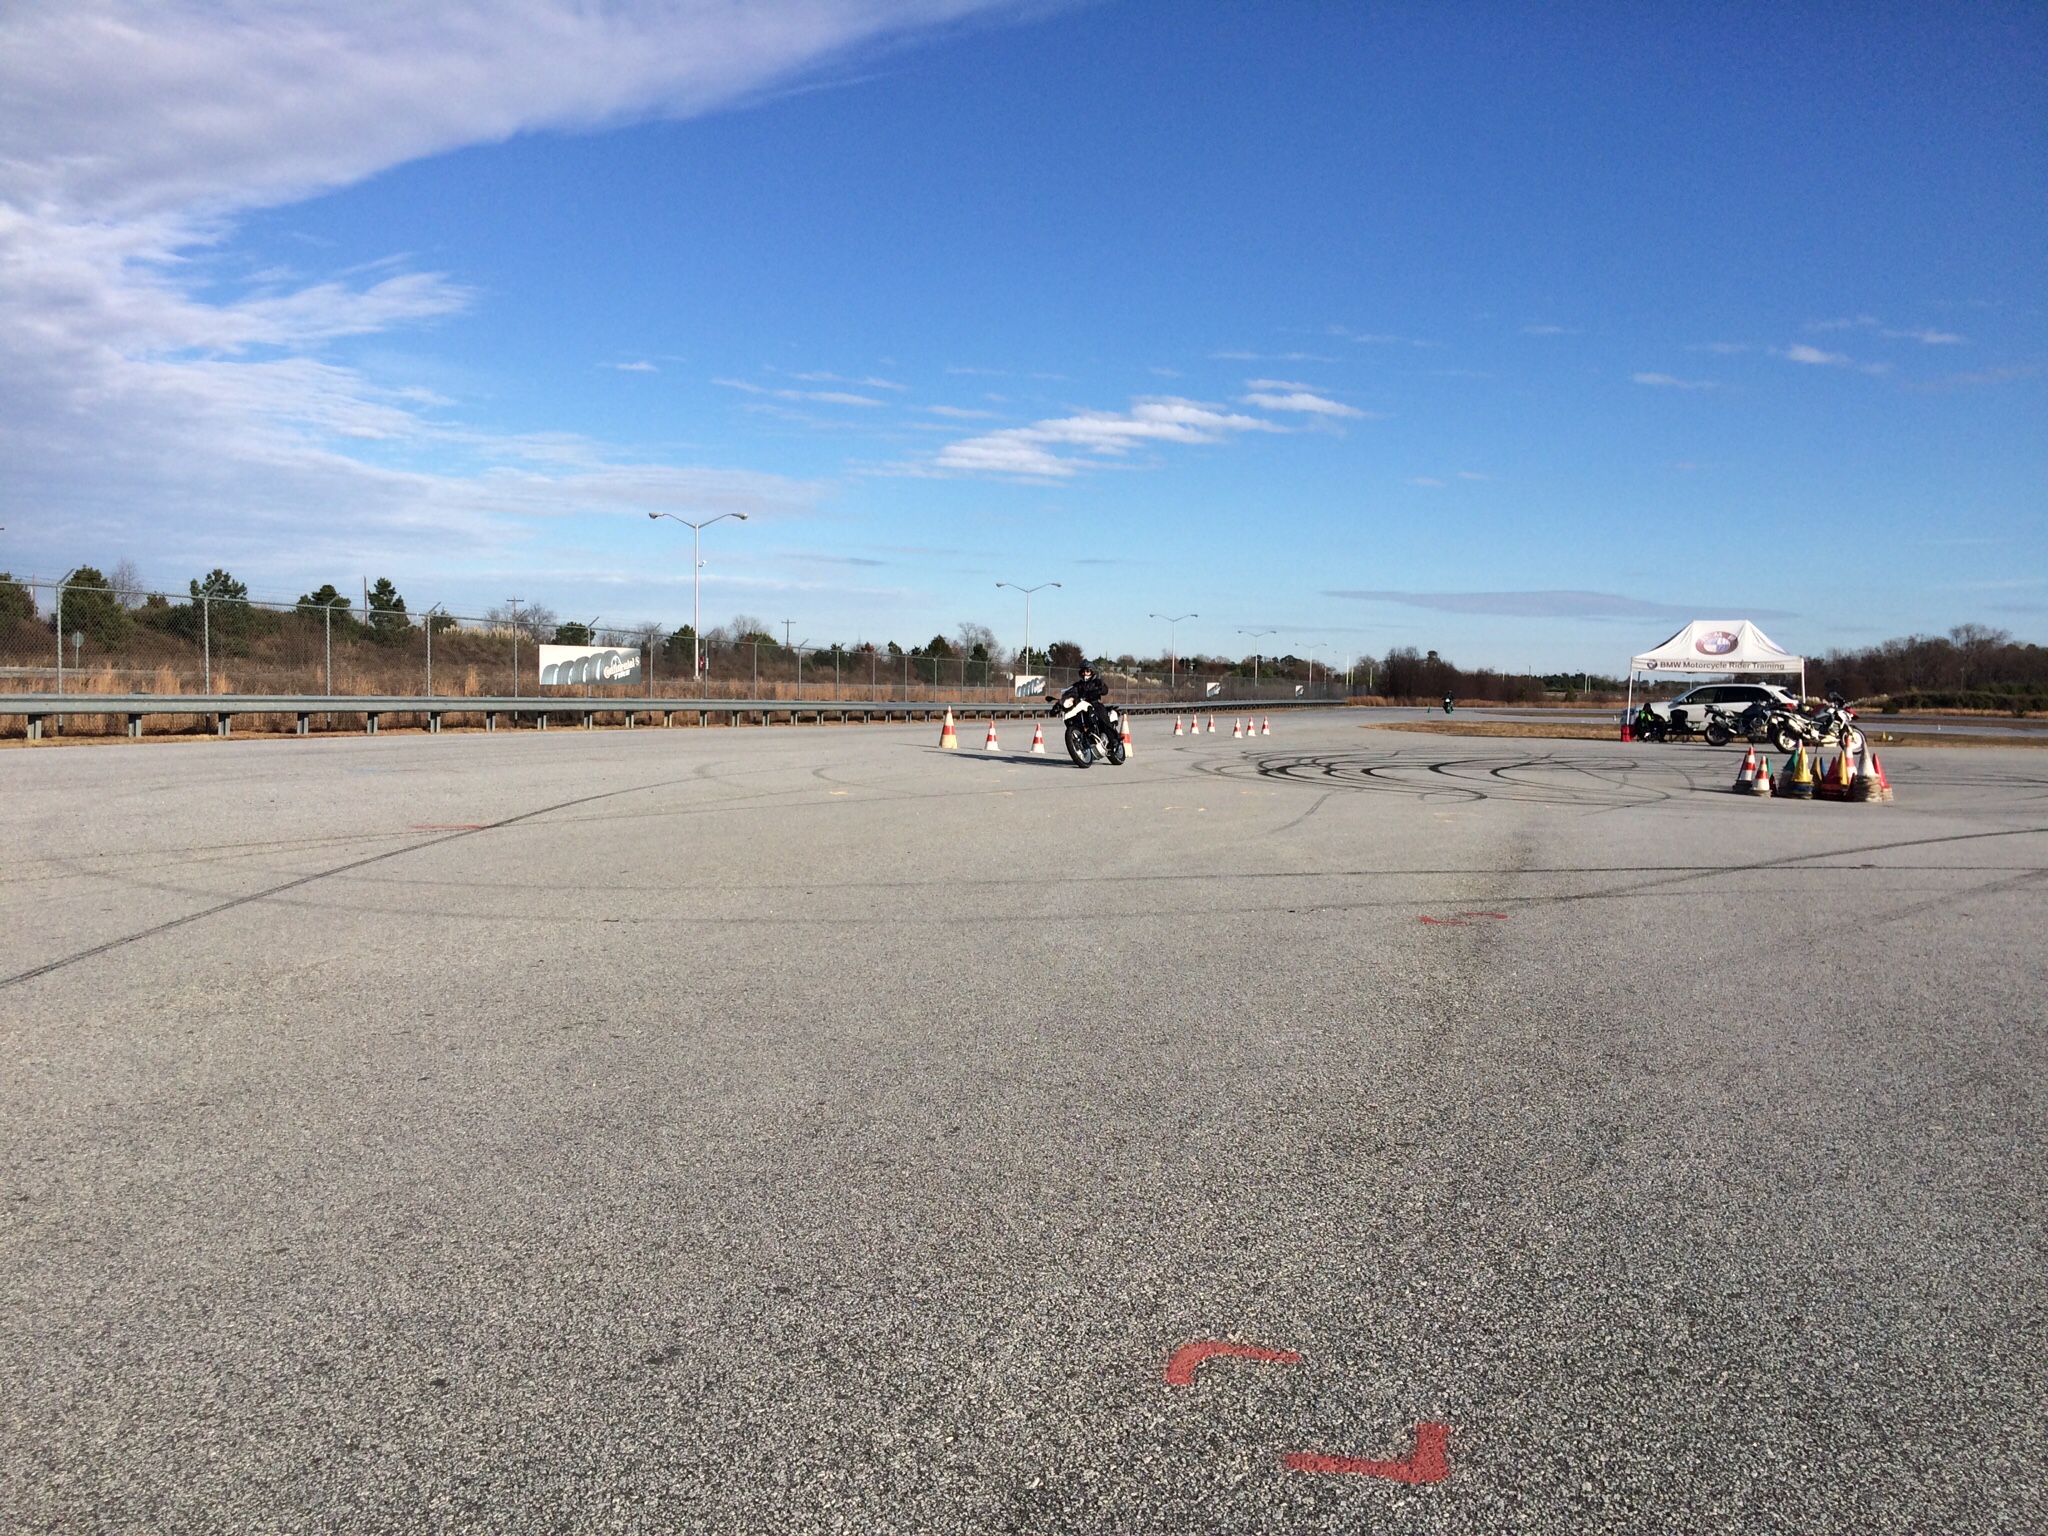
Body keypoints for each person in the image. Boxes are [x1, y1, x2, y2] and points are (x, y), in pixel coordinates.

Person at [1058, 662, 1111, 734]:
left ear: (1092, 672)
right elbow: (1070, 692)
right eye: (1083, 671)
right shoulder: (1077, 685)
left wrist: (1098, 691)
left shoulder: (1097, 682)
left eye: (1087, 671)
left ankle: (1113, 738)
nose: (1085, 673)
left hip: (1094, 703)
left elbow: (1105, 689)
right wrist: (1062, 700)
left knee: (1102, 715)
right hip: (1080, 704)